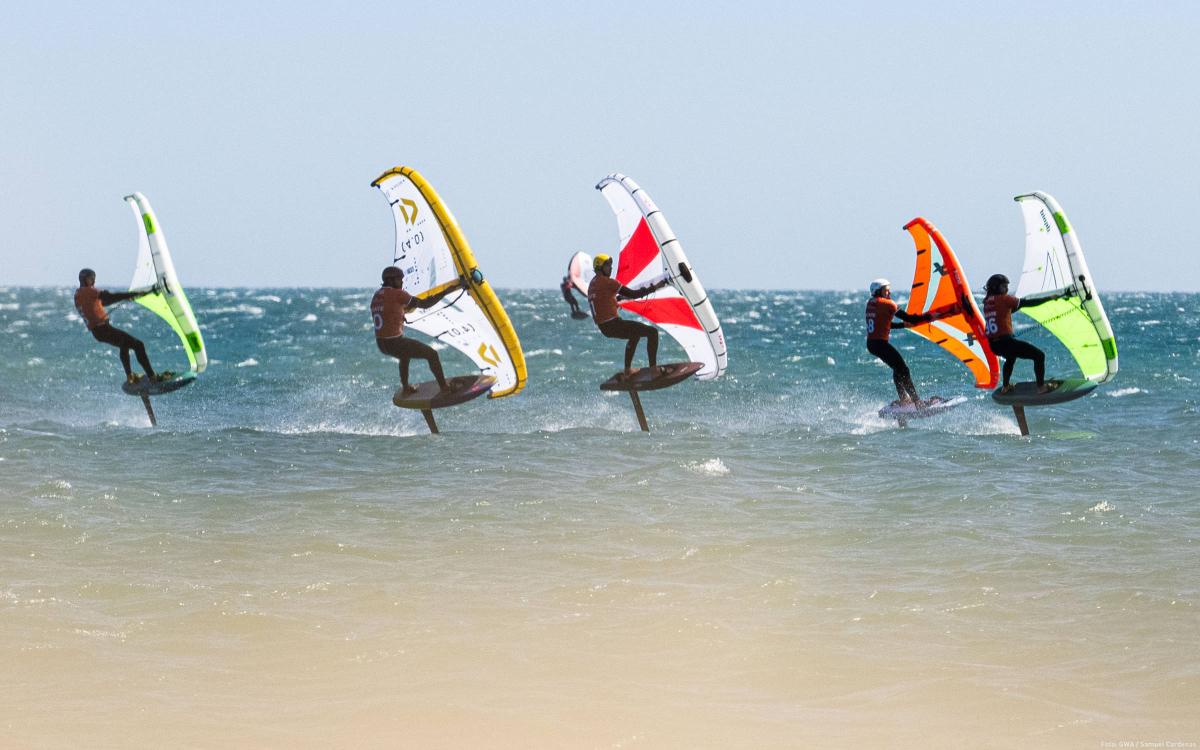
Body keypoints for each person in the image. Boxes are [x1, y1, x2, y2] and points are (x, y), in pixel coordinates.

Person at [372, 266, 467, 397]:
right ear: (392, 280)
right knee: (432, 354)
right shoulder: (397, 294)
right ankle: (444, 387)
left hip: (382, 344)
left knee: (404, 354)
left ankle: (406, 388)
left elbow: (392, 310)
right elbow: (425, 304)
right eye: (400, 279)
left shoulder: (377, 295)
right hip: (394, 342)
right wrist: (446, 292)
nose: (402, 282)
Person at [983, 274, 1071, 394]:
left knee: (1011, 357)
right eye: (1004, 286)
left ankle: (1005, 387)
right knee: (1039, 356)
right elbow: (1026, 303)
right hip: (1006, 342)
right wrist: (1050, 298)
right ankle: (1041, 388)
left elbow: (1006, 311)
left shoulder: (987, 302)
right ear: (995, 287)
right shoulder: (1004, 299)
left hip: (994, 345)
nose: (1007, 289)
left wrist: (1018, 304)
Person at [74, 268, 161, 384]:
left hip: (98, 332)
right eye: (91, 279)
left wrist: (129, 297)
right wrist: (135, 294)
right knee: (138, 345)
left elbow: (104, 302)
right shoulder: (88, 291)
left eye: (94, 279)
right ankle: (153, 377)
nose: (93, 282)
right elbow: (109, 297)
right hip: (103, 329)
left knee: (123, 345)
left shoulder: (79, 294)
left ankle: (130, 376)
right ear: (83, 280)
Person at [587, 254, 671, 375]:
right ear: (599, 268)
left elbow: (603, 299)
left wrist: (618, 299)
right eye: (607, 266)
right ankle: (654, 370)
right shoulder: (608, 282)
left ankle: (627, 371)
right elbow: (634, 294)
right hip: (614, 324)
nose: (611, 269)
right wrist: (655, 287)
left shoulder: (592, 284)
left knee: (634, 335)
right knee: (652, 332)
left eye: (611, 266)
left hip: (604, 328)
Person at [865, 278, 935, 405]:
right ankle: (917, 401)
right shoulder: (887, 304)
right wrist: (929, 317)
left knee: (897, 368)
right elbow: (909, 318)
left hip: (872, 344)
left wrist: (903, 326)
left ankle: (903, 399)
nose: (889, 294)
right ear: (878, 291)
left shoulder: (871, 303)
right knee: (903, 369)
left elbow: (883, 325)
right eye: (886, 291)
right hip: (880, 344)